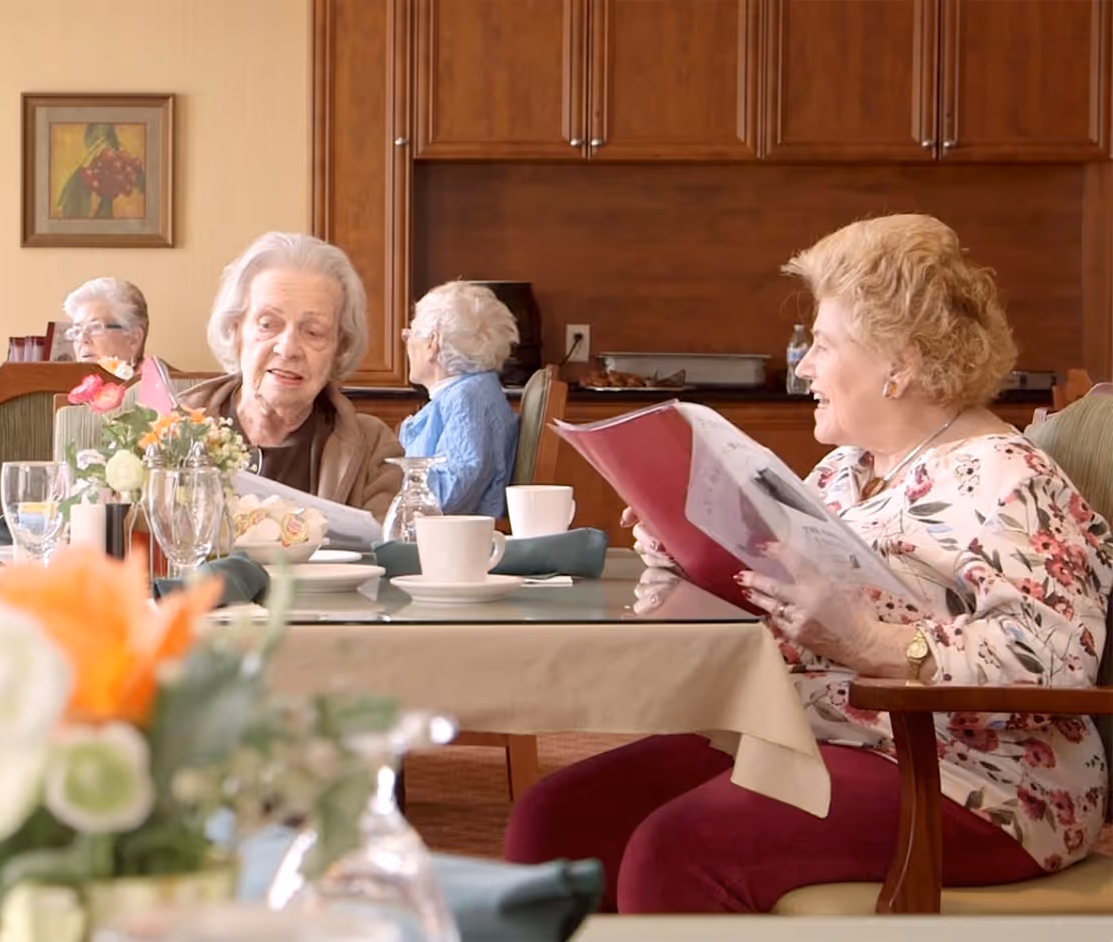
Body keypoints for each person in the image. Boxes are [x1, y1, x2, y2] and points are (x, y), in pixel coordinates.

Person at [504, 213, 1113, 912]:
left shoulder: (1010, 479)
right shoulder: (841, 473)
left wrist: (867, 640)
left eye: (822, 345)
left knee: (683, 850)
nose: (802, 366)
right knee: (558, 821)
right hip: (803, 738)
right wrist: (684, 561)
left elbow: (1053, 660)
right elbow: (767, 618)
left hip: (976, 779)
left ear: (900, 363)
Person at [179, 232, 402, 516]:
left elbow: (388, 554)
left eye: (313, 332)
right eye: (268, 324)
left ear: (340, 347)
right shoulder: (173, 431)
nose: (288, 349)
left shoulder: (373, 449)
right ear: (235, 331)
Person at [399, 281, 520, 516]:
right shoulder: (469, 394)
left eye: (410, 333)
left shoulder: (467, 400)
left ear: (432, 344)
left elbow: (449, 497)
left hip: (450, 542)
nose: (406, 341)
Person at [63, 276, 150, 368]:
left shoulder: (154, 381)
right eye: (77, 331)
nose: (82, 339)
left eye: (95, 327)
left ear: (133, 339)